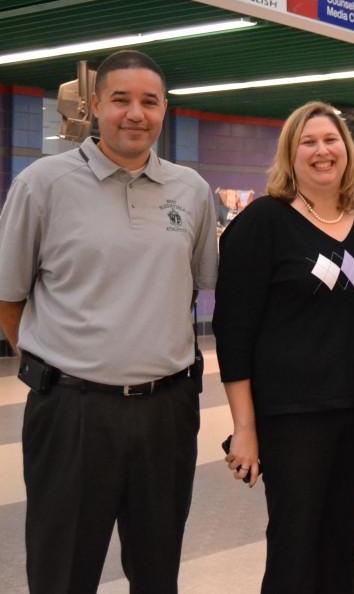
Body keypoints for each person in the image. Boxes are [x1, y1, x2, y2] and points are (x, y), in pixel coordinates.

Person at [0, 49, 218, 593]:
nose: (135, 114)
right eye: (120, 100)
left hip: (168, 413)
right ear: (95, 105)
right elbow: (9, 295)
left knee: (156, 567)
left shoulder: (190, 190)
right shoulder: (43, 184)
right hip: (71, 414)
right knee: (63, 570)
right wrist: (56, 368)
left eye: (149, 102)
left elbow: (194, 284)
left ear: (165, 109)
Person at [213, 101, 354, 593]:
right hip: (291, 417)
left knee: (340, 548)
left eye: (330, 140)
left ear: (348, 151)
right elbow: (234, 334)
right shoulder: (262, 224)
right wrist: (244, 429)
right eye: (307, 142)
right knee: (295, 550)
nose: (321, 151)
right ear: (289, 156)